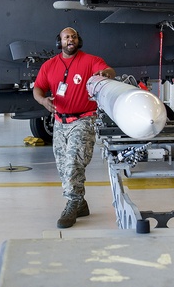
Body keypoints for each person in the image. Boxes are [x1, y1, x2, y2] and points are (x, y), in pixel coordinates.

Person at [33, 27, 115, 228]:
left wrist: (105, 73)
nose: (70, 39)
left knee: (73, 164)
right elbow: (38, 88)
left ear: (79, 41)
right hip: (60, 122)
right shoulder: (49, 65)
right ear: (59, 42)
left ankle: (71, 204)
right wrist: (43, 101)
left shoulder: (90, 60)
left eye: (74, 36)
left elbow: (109, 71)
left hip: (84, 120)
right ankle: (81, 203)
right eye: (66, 37)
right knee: (63, 167)